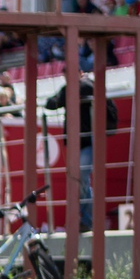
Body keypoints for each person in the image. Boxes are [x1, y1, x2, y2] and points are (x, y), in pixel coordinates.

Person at [46, 74, 115, 231]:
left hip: (88, 140)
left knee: (83, 178)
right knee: (79, 180)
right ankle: (85, 219)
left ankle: (88, 219)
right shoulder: (72, 88)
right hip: (76, 142)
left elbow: (89, 90)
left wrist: (70, 92)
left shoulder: (87, 84)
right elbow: (50, 104)